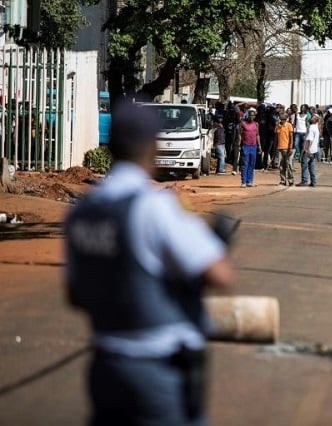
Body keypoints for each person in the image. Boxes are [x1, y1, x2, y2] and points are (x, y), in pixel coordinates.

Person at [64, 102, 235, 426]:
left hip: (105, 367)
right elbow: (220, 274)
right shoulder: (153, 208)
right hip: (157, 368)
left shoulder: (81, 212)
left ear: (110, 144)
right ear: (154, 147)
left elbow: (76, 294)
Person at [238, 107, 261, 187]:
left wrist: (259, 146)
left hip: (253, 146)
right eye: (250, 115)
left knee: (252, 164)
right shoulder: (243, 123)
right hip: (246, 145)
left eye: (253, 115)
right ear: (248, 115)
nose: (252, 117)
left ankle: (249, 181)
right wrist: (239, 145)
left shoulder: (256, 124)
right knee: (245, 163)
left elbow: (257, 135)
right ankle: (243, 181)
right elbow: (240, 135)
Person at [297, 114, 320, 187]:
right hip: (314, 150)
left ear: (315, 120)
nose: (310, 118)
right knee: (311, 166)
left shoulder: (311, 128)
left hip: (308, 150)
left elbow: (310, 140)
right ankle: (313, 181)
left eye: (312, 117)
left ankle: (304, 180)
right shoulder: (316, 127)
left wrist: (308, 149)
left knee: (304, 165)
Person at [275, 112, 294, 186]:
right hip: (280, 147)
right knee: (281, 165)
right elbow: (276, 138)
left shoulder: (289, 125)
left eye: (284, 119)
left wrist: (290, 147)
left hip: (287, 148)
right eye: (281, 119)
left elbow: (291, 137)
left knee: (288, 164)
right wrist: (275, 148)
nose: (282, 120)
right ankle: (283, 180)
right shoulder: (277, 126)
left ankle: (290, 180)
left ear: (286, 119)